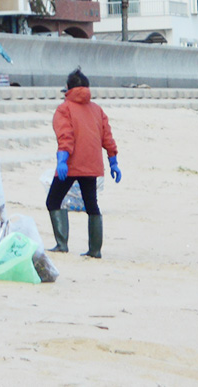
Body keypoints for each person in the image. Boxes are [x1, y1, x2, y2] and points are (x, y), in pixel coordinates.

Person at [46, 68, 121, 259]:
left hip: (71, 164)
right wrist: (113, 161)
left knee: (53, 200)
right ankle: (95, 250)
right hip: (92, 164)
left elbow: (66, 136)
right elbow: (107, 137)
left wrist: (62, 160)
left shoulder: (64, 109)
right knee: (91, 204)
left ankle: (62, 243)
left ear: (68, 88)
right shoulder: (97, 110)